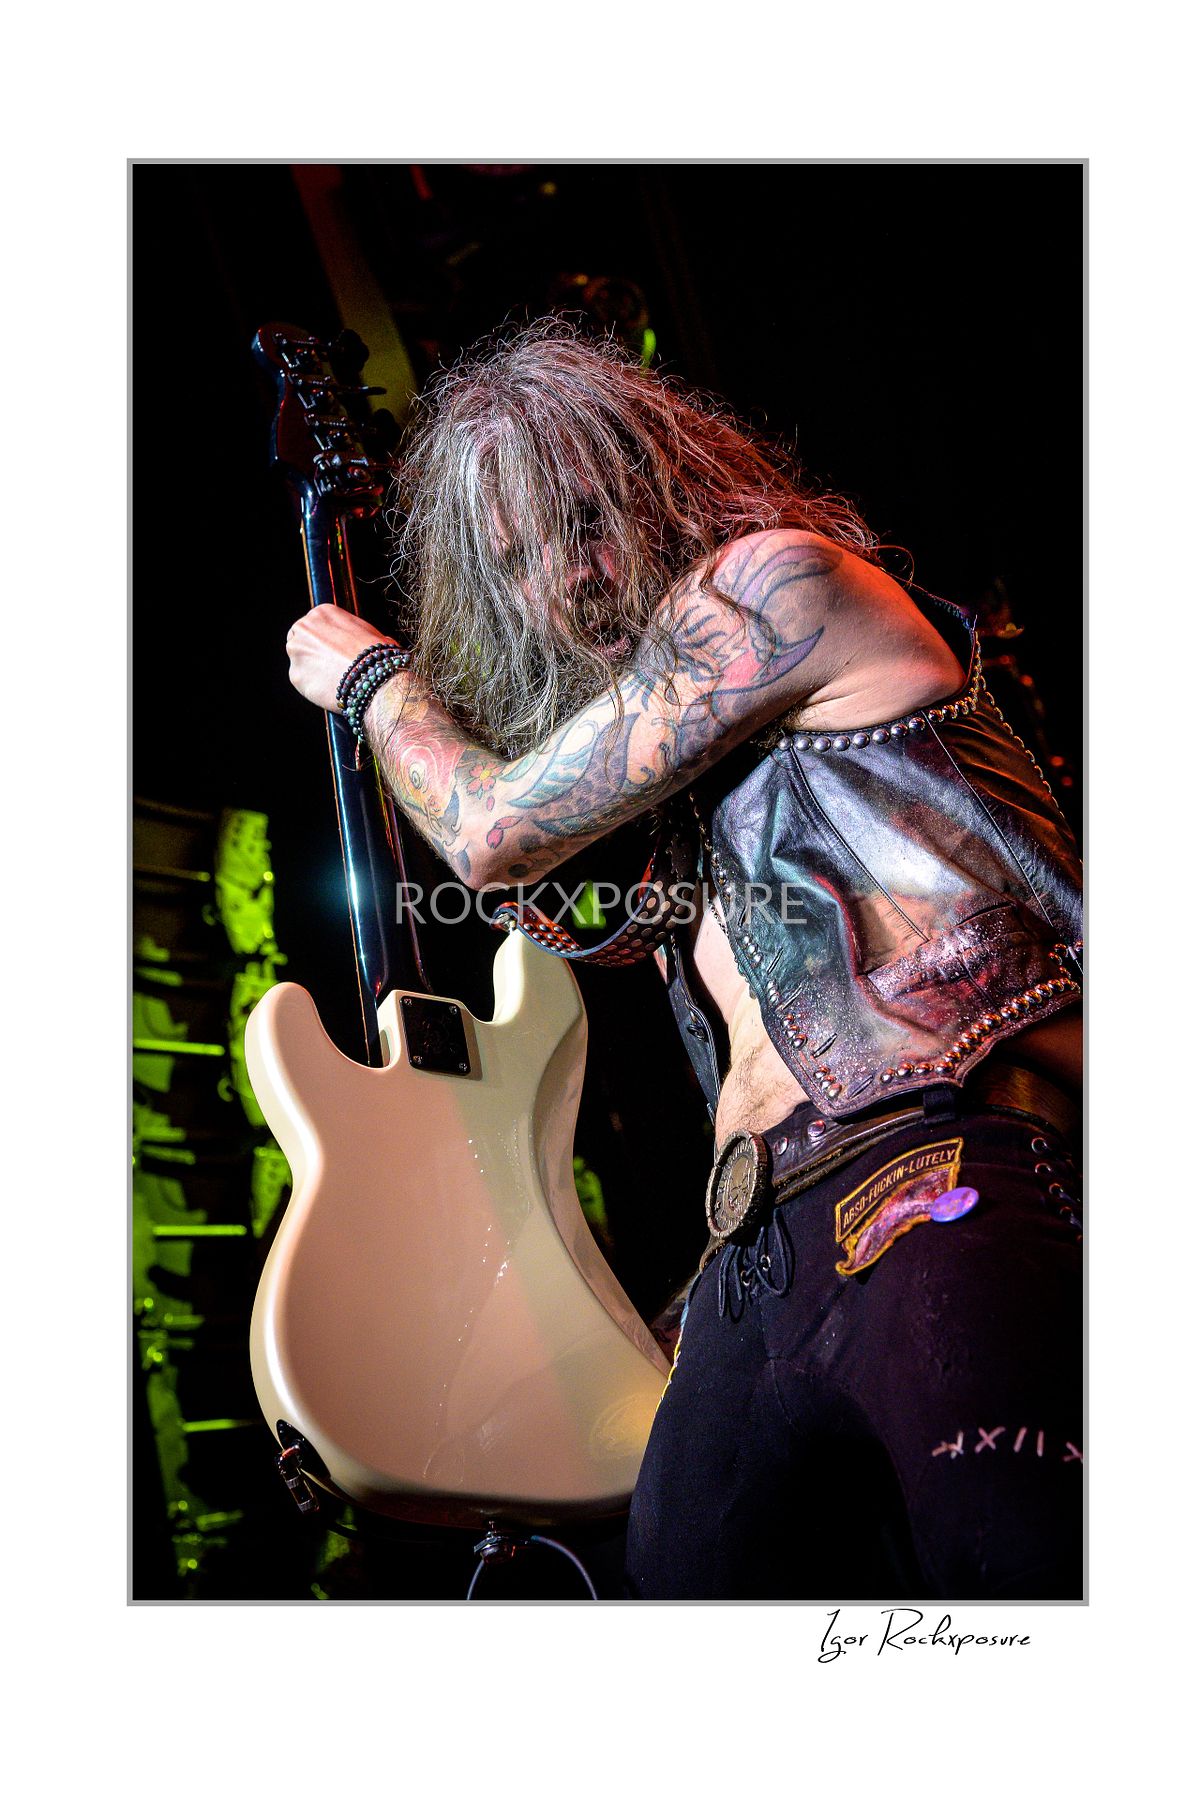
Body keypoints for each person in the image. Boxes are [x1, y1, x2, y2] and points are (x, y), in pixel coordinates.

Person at [284, 321, 1083, 1600]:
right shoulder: (682, 812)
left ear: (661, 486)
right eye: (517, 562)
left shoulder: (783, 587)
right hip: (753, 1252)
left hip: (941, 1164)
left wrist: (377, 679)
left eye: (585, 521)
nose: (569, 576)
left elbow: (491, 830)